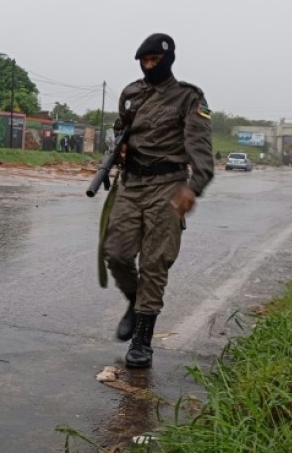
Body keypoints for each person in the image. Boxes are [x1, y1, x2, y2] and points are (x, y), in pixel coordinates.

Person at [102, 33, 213, 369]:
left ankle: (142, 340)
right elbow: (121, 129)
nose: (149, 66)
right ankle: (135, 300)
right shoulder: (131, 93)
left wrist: (193, 187)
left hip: (168, 185)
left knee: (154, 262)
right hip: (132, 183)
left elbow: (200, 148)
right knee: (117, 253)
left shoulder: (188, 97)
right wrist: (116, 151)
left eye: (154, 60)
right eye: (144, 61)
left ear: (168, 60)